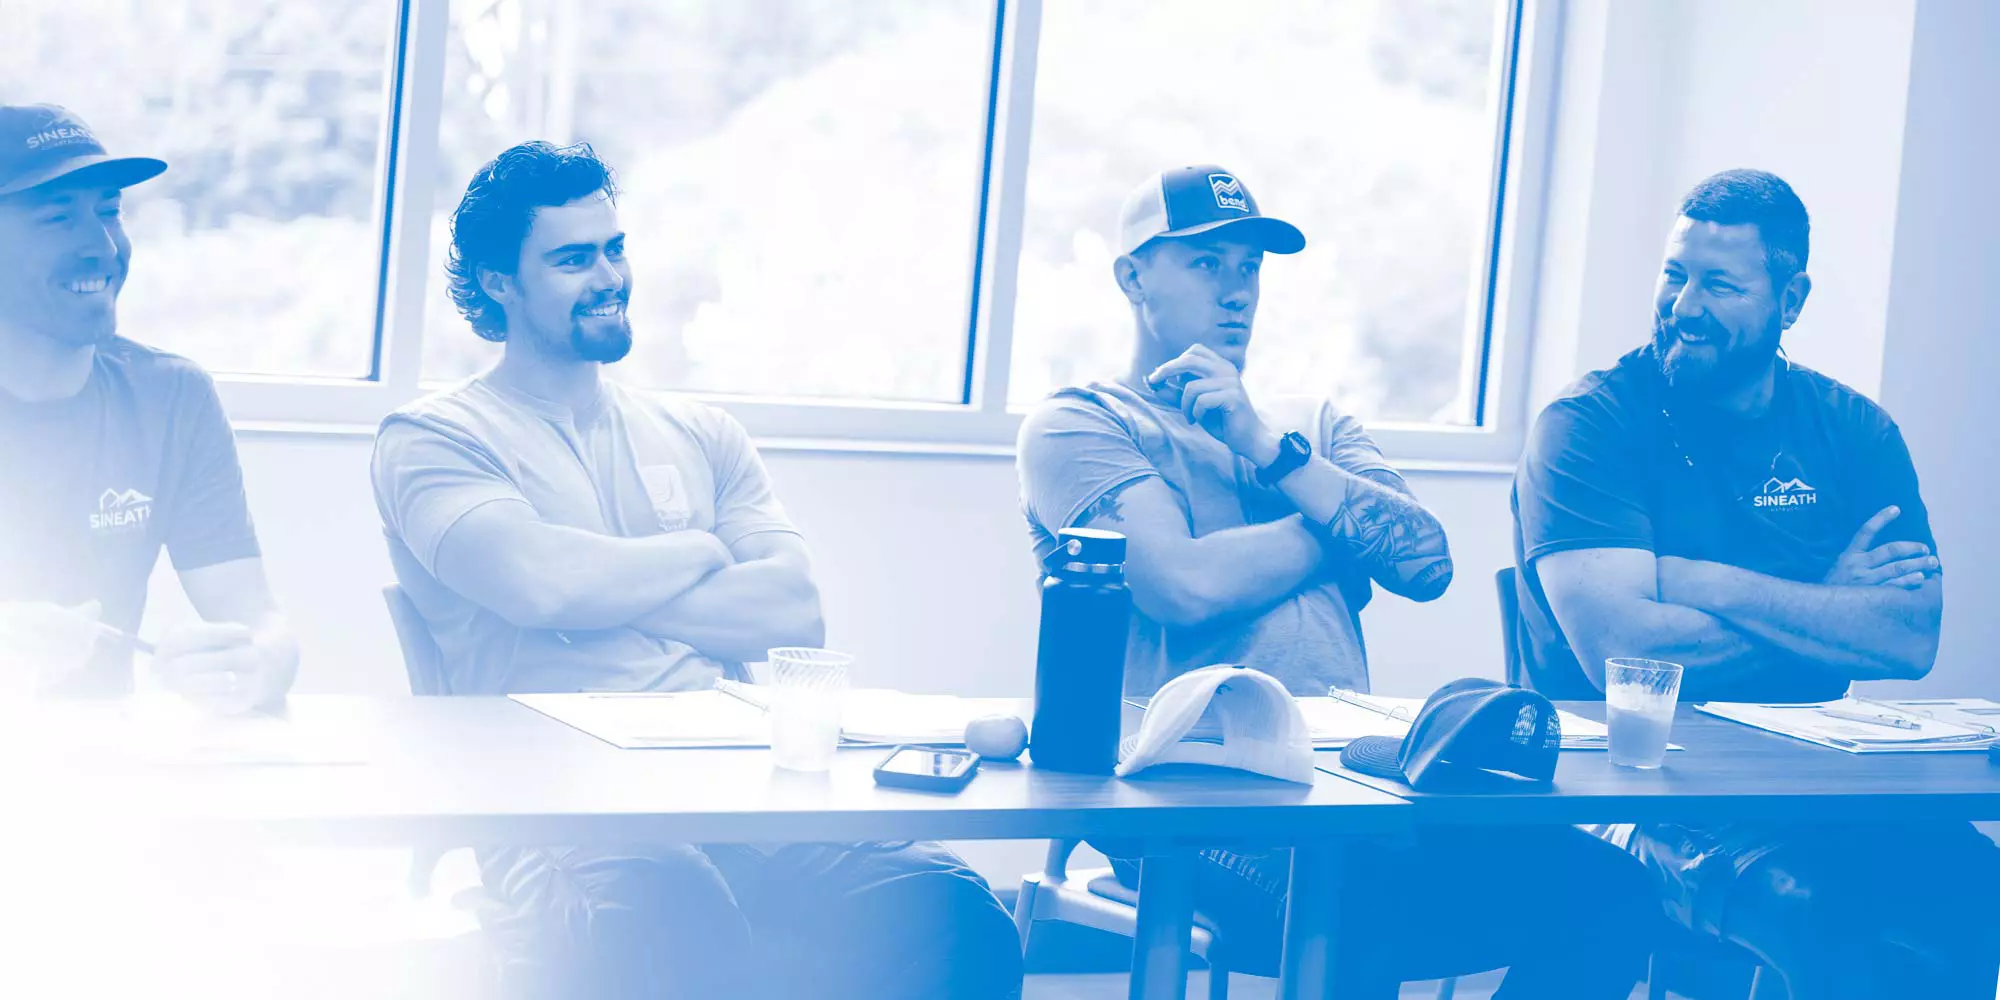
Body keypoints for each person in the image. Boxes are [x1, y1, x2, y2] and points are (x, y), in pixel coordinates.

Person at [371, 140, 1022, 1000]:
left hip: (736, 783)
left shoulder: (701, 433)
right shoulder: (433, 439)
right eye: (572, 259)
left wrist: (606, 592)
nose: (608, 276)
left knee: (953, 912)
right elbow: (541, 587)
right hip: (556, 810)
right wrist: (701, 552)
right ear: (499, 283)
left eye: (614, 248)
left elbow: (792, 615)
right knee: (671, 919)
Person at [1016, 164, 1656, 997]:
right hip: (1178, 802)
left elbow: (1426, 561)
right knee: (1354, 897)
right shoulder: (1080, 423)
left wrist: (1266, 445)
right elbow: (1184, 585)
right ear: (1133, 276)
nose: (1237, 291)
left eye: (1250, 267)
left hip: (1339, 782)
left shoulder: (1304, 428)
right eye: (1208, 264)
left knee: (1613, 890)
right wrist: (1340, 526)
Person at [1513, 167, 2000, 998]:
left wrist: (1700, 582)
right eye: (1675, 274)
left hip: (1814, 783)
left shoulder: (1851, 430)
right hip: (1628, 796)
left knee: (1975, 888)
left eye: (1720, 284)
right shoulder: (1588, 425)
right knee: (1817, 912)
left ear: (1792, 298)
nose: (1684, 306)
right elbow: (1625, 657)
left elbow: (1910, 637)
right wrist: (1827, 595)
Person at [0, 103, 298, 710]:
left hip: (107, 774)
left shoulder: (172, 398)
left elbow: (259, 619)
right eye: (59, 218)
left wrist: (252, 663)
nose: (101, 246)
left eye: (109, 213)